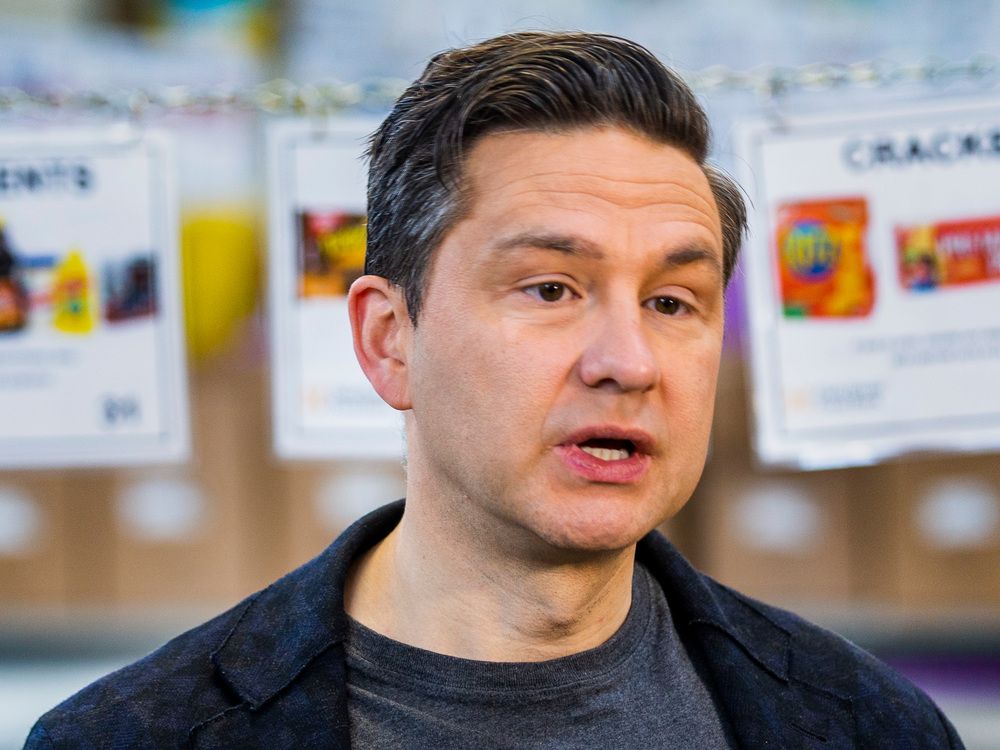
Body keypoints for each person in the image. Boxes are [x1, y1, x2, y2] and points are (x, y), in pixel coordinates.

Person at [26, 32, 964, 749]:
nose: (629, 362)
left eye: (672, 302)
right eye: (550, 289)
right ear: (389, 340)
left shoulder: (871, 725)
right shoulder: (132, 736)